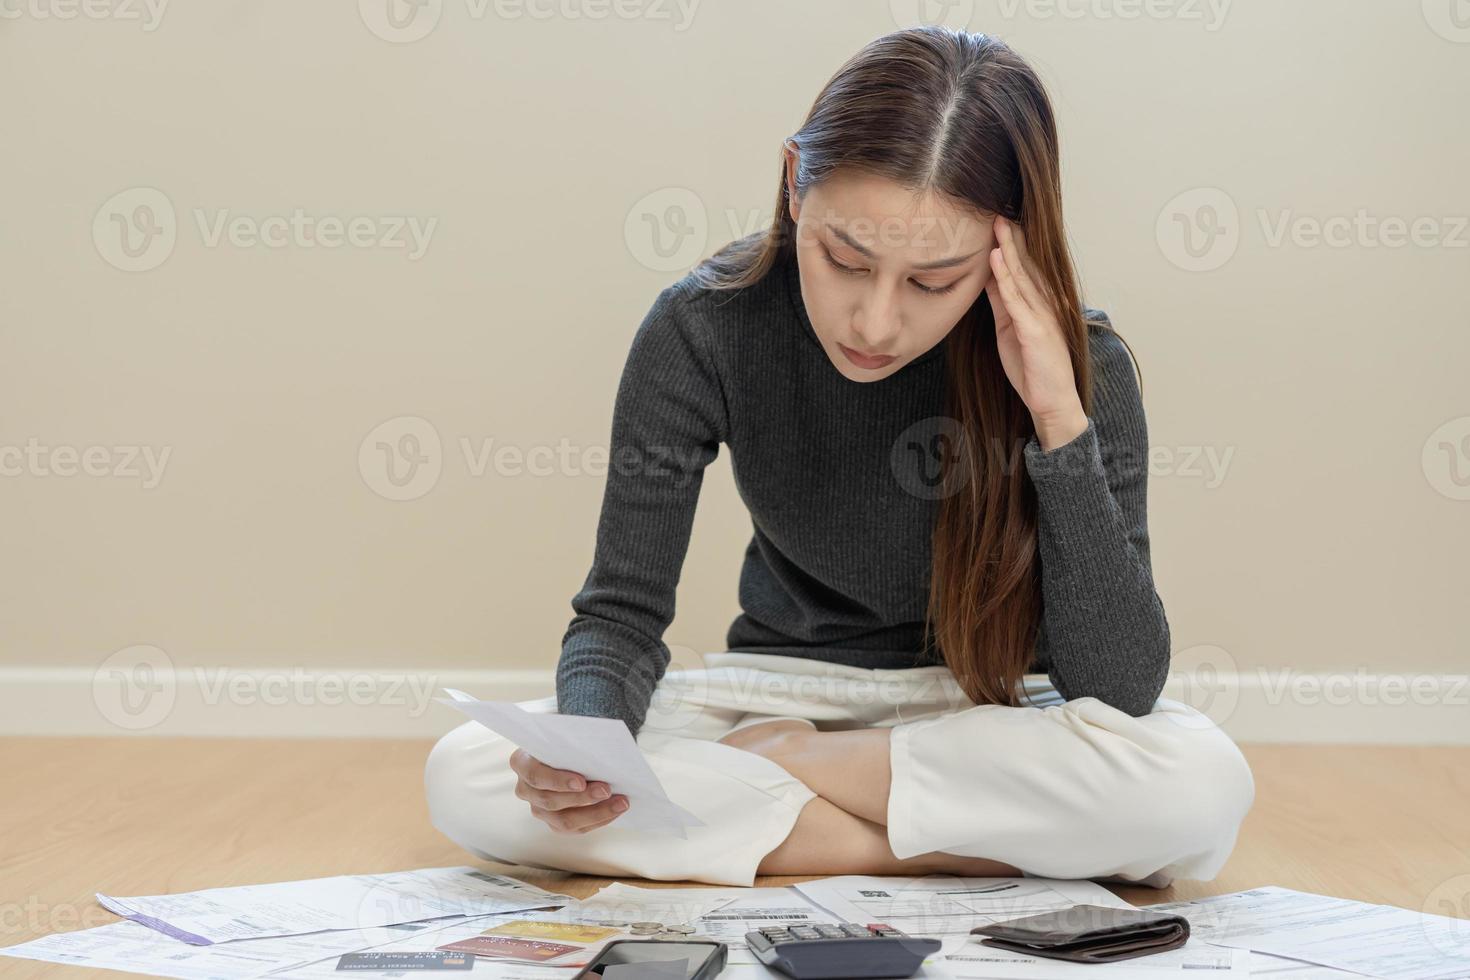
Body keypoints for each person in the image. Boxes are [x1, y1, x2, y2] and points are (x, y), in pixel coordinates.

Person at [425, 25, 1254, 889]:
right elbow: (620, 617)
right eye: (845, 260)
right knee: (468, 772)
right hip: (776, 698)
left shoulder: (1081, 368)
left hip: (994, 718)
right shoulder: (703, 327)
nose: (875, 323)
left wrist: (1055, 413)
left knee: (1203, 785)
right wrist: (588, 753)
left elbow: (1118, 689)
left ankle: (803, 809)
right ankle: (954, 844)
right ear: (795, 185)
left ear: (1006, 246)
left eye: (933, 282)